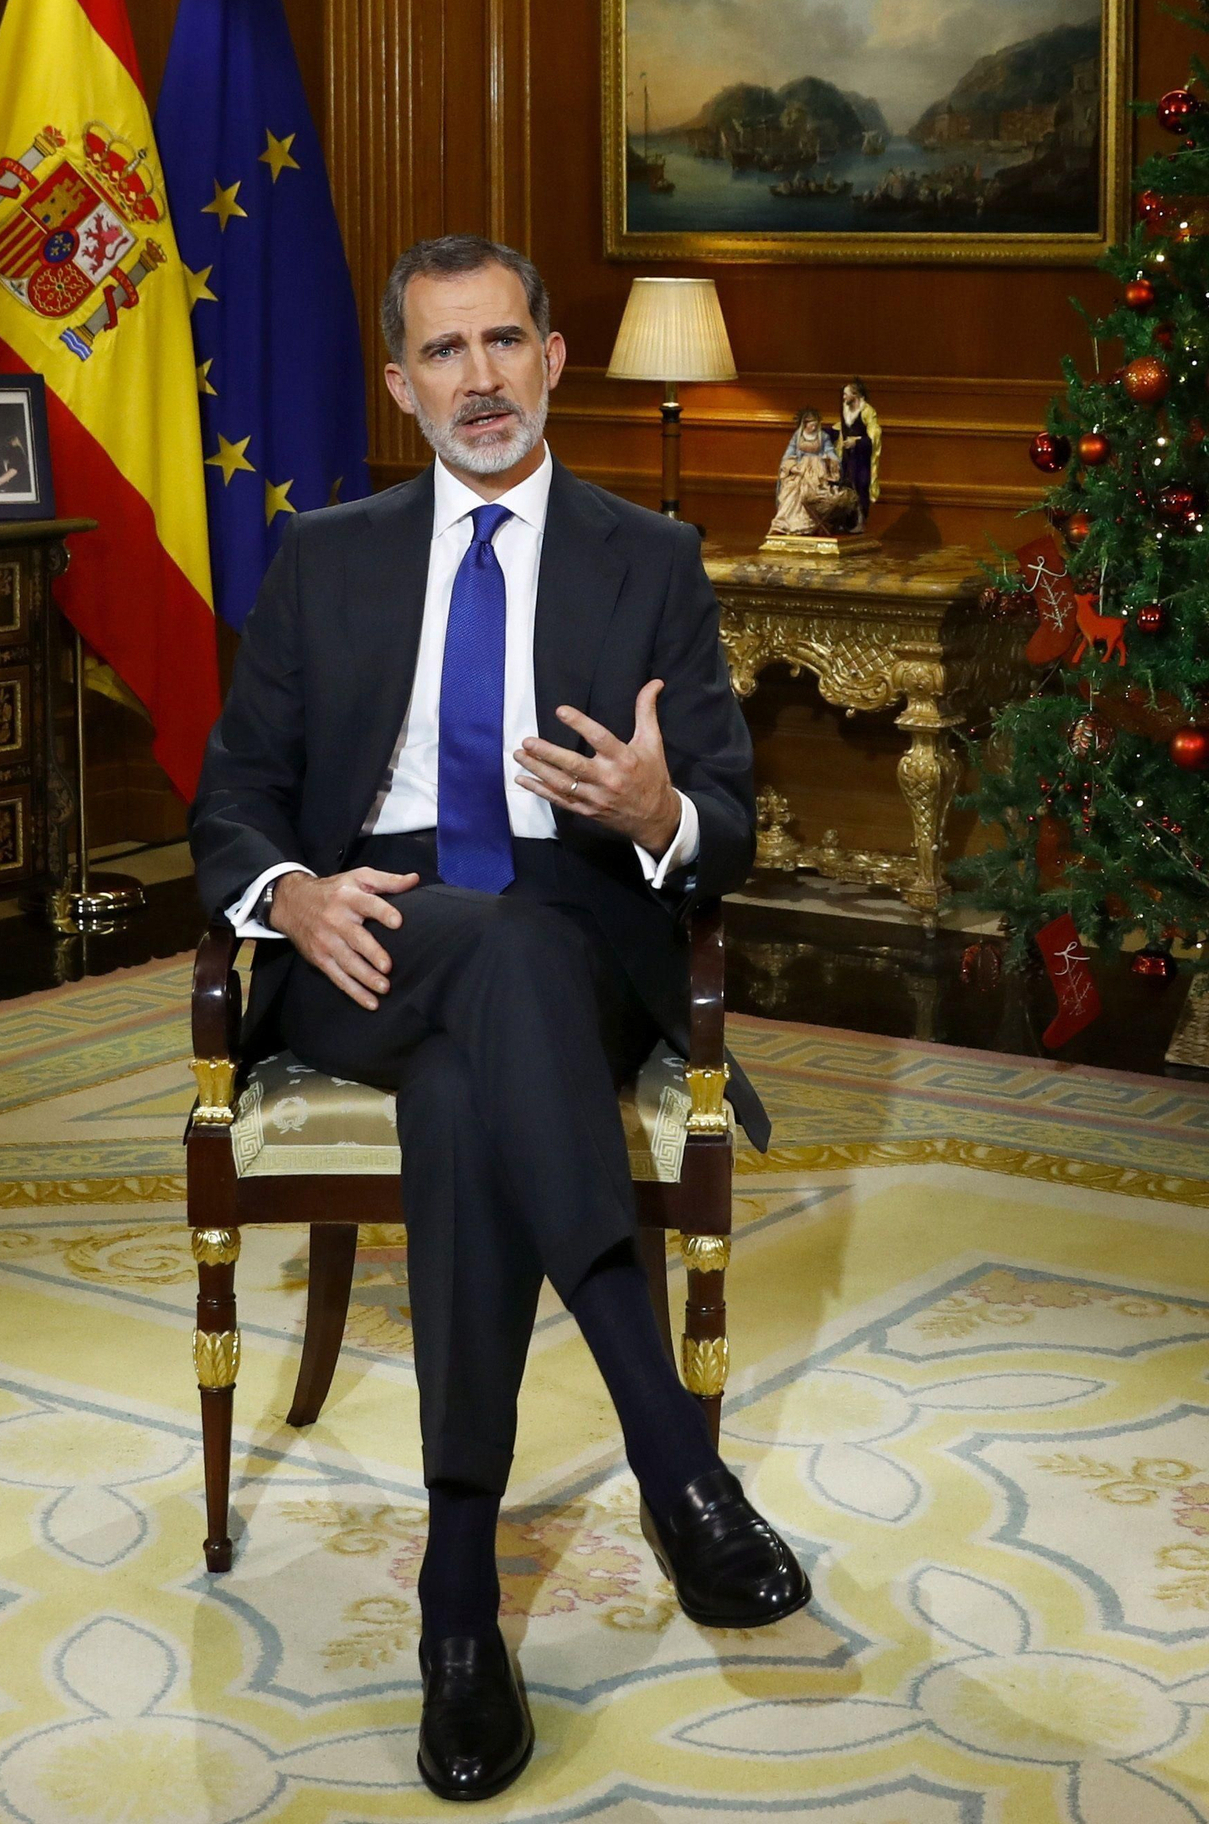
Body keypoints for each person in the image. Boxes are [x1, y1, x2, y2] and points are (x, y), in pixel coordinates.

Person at [191, 235, 809, 1804]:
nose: (478, 376)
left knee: (497, 1026)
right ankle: (676, 1459)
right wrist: (290, 896)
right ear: (401, 386)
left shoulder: (648, 554)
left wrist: (663, 805)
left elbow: (729, 822)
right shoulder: (324, 554)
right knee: (491, 982)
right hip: (367, 937)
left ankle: (455, 1597)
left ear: (552, 360)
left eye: (504, 342)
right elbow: (231, 806)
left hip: (572, 931)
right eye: (442, 352)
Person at [768, 407, 853, 536]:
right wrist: (792, 467)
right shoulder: (797, 437)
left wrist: (833, 461)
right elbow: (788, 455)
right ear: (804, 424)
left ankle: (810, 525)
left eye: (816, 424)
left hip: (818, 472)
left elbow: (830, 452)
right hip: (801, 470)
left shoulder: (823, 437)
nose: (814, 427)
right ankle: (785, 524)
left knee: (812, 491)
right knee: (791, 489)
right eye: (811, 424)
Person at [835, 379, 882, 527]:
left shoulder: (867, 412)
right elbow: (841, 429)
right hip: (847, 457)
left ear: (855, 395)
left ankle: (860, 520)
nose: (843, 397)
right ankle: (845, 520)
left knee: (861, 486)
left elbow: (874, 436)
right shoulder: (845, 410)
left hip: (861, 458)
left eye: (846, 394)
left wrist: (857, 442)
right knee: (844, 485)